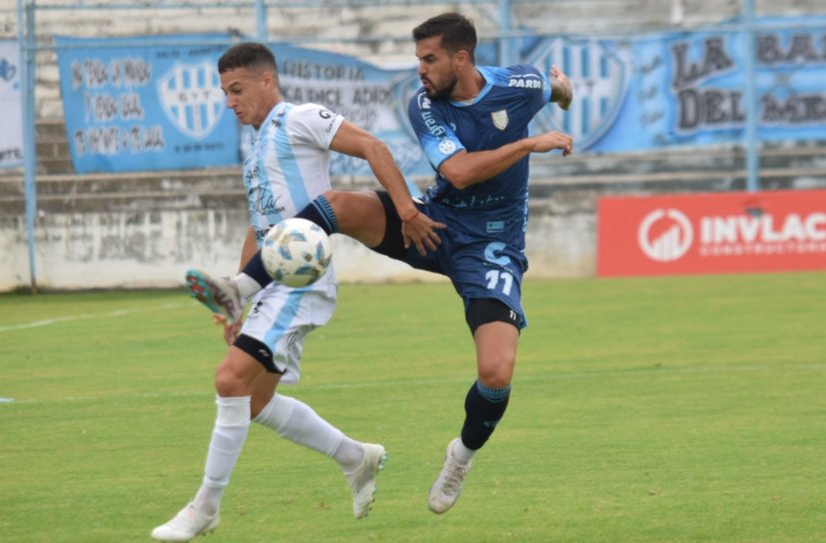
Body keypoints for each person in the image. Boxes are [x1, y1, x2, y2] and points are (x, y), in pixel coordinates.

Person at [189, 12, 574, 516]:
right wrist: (528, 143)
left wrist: (560, 93)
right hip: (433, 223)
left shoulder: (519, 83)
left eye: (429, 59)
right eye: (418, 59)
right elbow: (457, 173)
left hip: (493, 247)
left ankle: (461, 455)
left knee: (496, 372)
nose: (420, 70)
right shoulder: (425, 106)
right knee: (338, 205)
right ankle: (240, 287)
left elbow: (556, 85)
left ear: (461, 58)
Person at [151, 42, 444, 542]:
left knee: (229, 382)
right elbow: (259, 226)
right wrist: (239, 292)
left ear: (267, 80)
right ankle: (356, 456)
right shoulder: (256, 148)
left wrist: (406, 210)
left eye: (237, 89)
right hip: (268, 284)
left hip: (300, 280)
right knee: (256, 401)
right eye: (224, 92)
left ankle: (206, 507)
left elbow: (375, 146)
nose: (229, 102)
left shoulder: (301, 118)